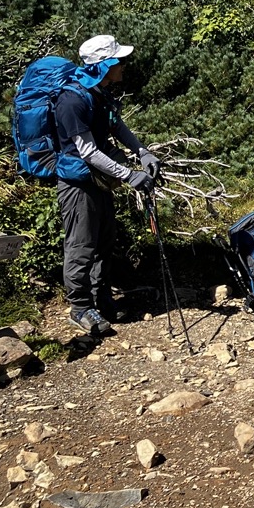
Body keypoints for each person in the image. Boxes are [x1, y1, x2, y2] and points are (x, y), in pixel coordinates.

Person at [54, 34, 160, 336]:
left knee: (104, 242)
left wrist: (142, 151)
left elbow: (117, 125)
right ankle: (79, 307)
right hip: (77, 184)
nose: (124, 66)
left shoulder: (101, 92)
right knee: (81, 246)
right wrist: (129, 175)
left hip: (99, 180)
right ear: (105, 64)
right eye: (120, 61)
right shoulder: (72, 100)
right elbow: (87, 151)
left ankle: (101, 298)